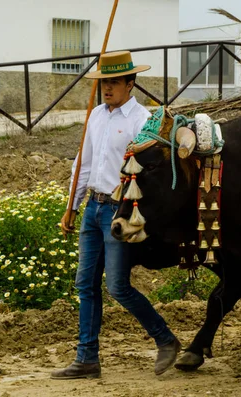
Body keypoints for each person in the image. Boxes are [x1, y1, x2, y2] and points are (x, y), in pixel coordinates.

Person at [51, 51, 181, 380]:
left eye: (114, 82)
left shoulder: (141, 120)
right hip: (93, 208)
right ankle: (86, 358)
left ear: (130, 84)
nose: (107, 88)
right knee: (85, 285)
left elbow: (149, 171)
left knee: (118, 287)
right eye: (103, 83)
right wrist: (72, 205)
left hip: (117, 209)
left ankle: (166, 340)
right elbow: (83, 164)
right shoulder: (95, 115)